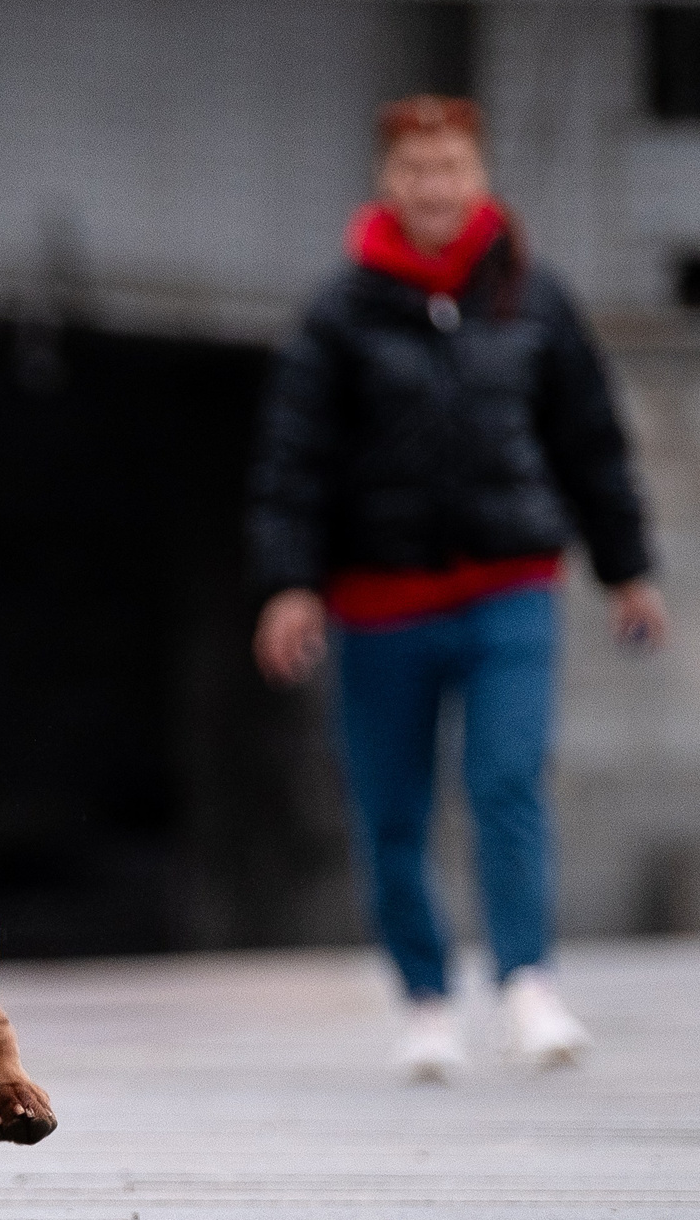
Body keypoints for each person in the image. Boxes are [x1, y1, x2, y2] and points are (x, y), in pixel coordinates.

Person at [247, 94, 667, 1082]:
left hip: (507, 588)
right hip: (379, 604)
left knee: (508, 782)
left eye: (452, 172)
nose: (435, 189)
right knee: (392, 810)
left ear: (479, 182)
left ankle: (527, 983)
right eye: (416, 174)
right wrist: (288, 585)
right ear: (389, 186)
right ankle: (426, 1001)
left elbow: (589, 443)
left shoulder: (535, 298)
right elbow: (291, 463)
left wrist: (627, 570)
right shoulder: (338, 314)